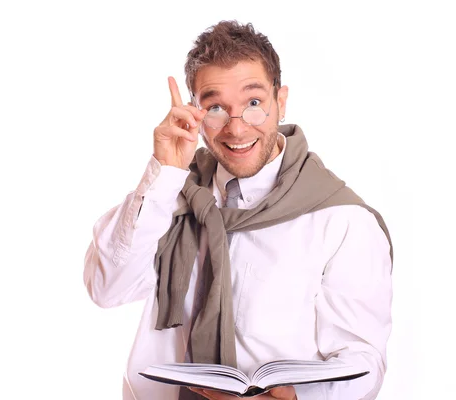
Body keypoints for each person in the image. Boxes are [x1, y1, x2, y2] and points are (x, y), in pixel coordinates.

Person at [84, 20, 393, 400]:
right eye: (215, 107)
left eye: (253, 103)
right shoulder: (172, 196)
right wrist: (163, 174)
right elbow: (106, 288)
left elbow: (362, 360)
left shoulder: (343, 219)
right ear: (194, 111)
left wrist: (296, 398)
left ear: (280, 102)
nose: (236, 128)